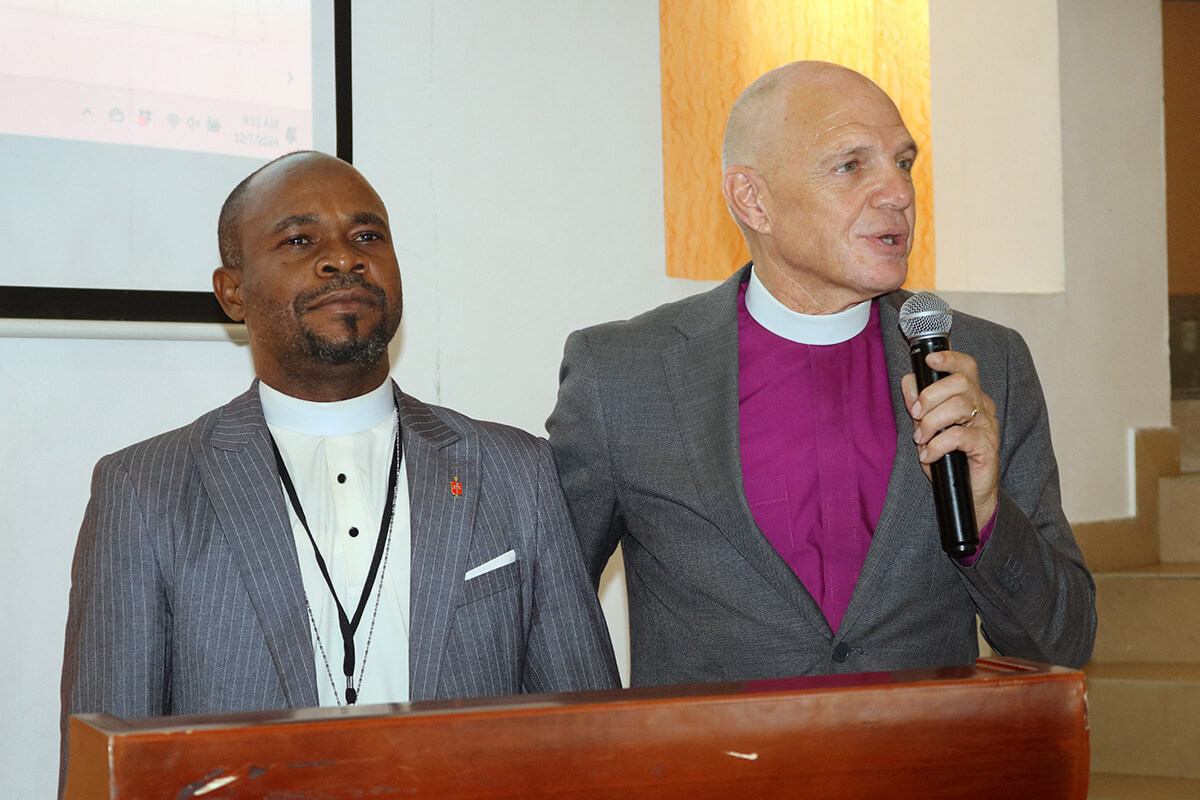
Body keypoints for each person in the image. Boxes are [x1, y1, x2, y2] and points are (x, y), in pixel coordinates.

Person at [60, 152, 618, 782]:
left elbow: (588, 732)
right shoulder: (144, 489)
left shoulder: (514, 472)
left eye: (367, 236)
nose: (343, 258)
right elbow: (107, 764)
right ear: (232, 292)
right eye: (300, 240)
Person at [547, 61, 1096, 687]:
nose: (898, 192)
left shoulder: (985, 363)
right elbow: (547, 612)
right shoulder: (622, 376)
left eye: (904, 162)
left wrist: (988, 512)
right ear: (753, 199)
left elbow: (1063, 640)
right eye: (851, 165)